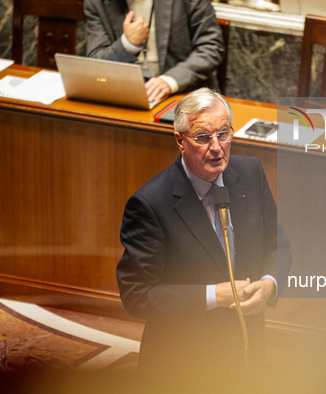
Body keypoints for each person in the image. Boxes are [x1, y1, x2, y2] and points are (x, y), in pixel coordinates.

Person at [116, 88, 291, 380]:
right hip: (182, 360)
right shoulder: (150, 204)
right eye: (202, 137)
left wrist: (270, 283)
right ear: (180, 141)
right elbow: (137, 295)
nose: (216, 147)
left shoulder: (250, 173)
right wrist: (214, 296)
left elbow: (277, 244)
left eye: (223, 134)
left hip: (247, 350)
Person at [84, 0, 224, 102]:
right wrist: (128, 45)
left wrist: (170, 82)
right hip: (123, 97)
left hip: (184, 97)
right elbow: (95, 63)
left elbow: (211, 47)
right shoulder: (96, 3)